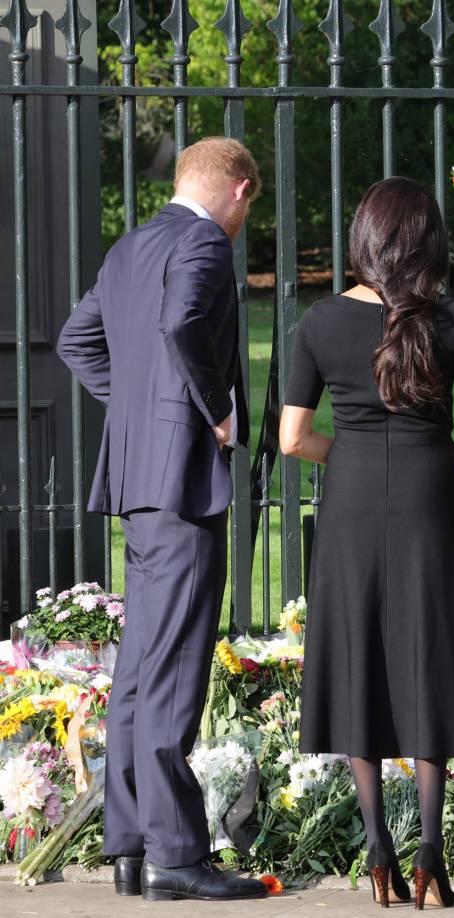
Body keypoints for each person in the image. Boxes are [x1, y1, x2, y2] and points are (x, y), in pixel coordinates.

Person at [279, 176, 454, 910]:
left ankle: (377, 848)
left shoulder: (318, 322)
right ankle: (431, 859)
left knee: (357, 657)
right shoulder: (453, 319)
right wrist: (444, 458)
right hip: (430, 503)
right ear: (427, 241)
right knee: (429, 655)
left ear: (364, 239)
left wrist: (344, 456)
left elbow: (292, 439)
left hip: (347, 507)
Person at [56, 137, 268, 903]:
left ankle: (131, 848)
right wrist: (212, 412)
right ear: (239, 190)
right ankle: (177, 854)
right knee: (174, 669)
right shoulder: (205, 243)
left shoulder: (129, 248)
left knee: (140, 669)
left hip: (141, 484)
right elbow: (183, 325)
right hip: (182, 487)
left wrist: (146, 413)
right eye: (252, 206)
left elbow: (75, 342)